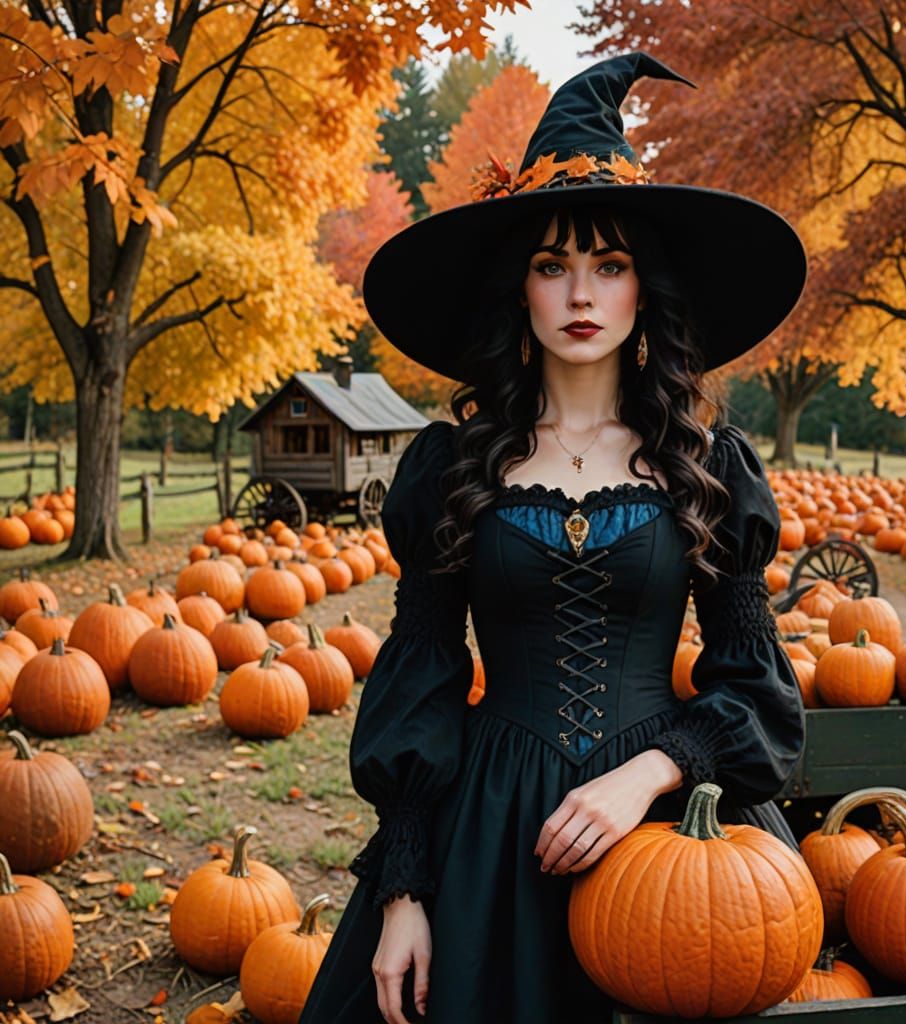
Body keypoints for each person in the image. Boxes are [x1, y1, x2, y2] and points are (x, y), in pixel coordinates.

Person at [299, 51, 807, 1024]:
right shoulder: (454, 468)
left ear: (643, 290)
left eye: (609, 266)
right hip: (488, 836)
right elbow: (423, 673)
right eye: (552, 266)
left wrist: (648, 775)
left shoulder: (706, 468)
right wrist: (404, 889)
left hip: (667, 838)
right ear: (519, 290)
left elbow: (756, 689)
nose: (580, 295)